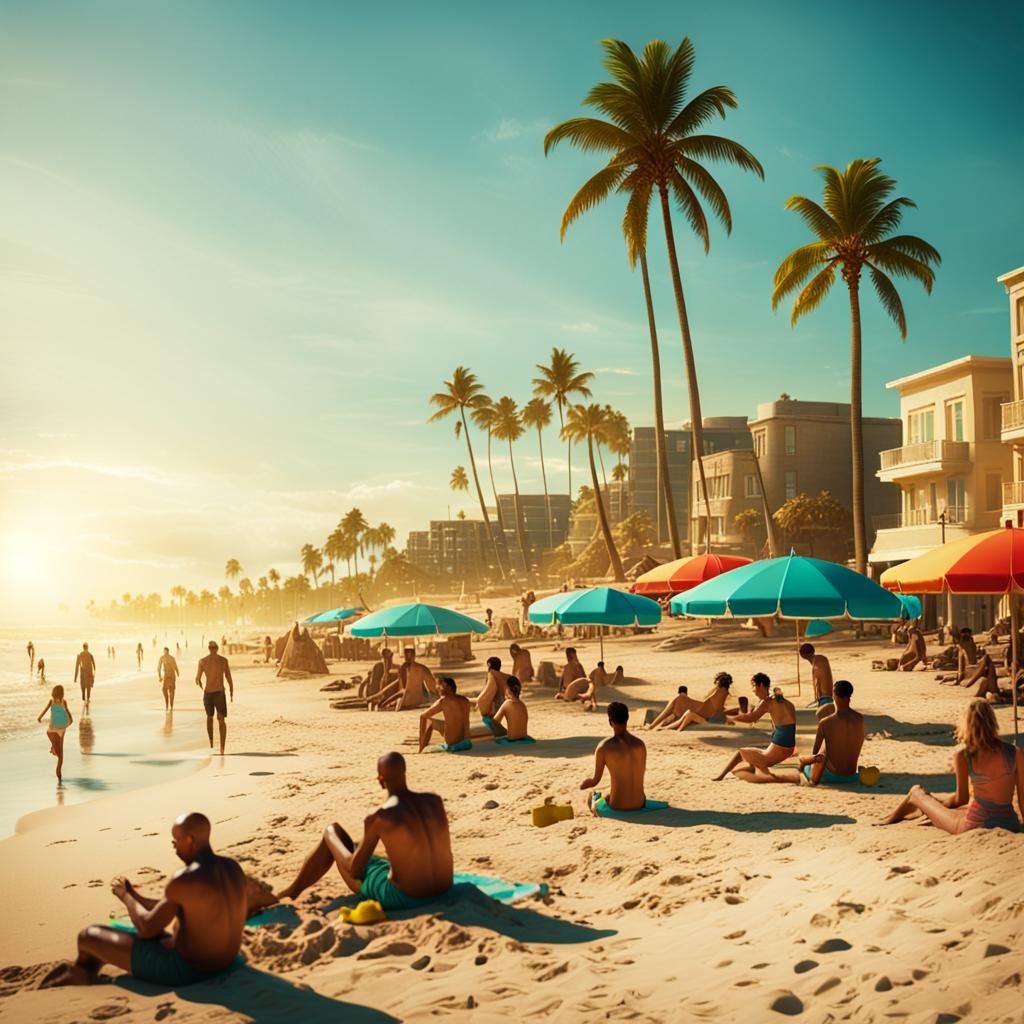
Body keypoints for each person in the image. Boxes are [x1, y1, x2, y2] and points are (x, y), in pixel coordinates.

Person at [40, 813, 247, 988]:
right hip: (225, 962)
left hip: (188, 971)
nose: (174, 846)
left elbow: (147, 928)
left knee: (88, 936)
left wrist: (126, 897)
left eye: (176, 841)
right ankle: (86, 971)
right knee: (121, 931)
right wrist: (137, 896)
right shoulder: (232, 868)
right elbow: (182, 906)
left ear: (190, 841)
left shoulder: (184, 878)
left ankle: (84, 974)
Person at [277, 752, 453, 910]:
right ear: (404, 773)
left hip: (405, 897)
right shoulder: (434, 801)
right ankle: (293, 889)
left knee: (332, 832)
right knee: (363, 851)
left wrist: (332, 838)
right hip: (444, 887)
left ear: (380, 779)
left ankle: (293, 890)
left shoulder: (381, 816)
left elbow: (355, 871)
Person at [882, 699, 1023, 834]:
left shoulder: (964, 755)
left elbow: (960, 799)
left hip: (975, 825)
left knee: (917, 792)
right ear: (993, 721)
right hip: (1009, 823)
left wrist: (939, 803)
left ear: (967, 724)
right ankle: (919, 811)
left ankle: (895, 816)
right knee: (964, 809)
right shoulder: (1014, 752)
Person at [580, 702, 666, 816]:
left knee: (594, 795)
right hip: (640, 803)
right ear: (627, 718)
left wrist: (582, 786)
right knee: (613, 790)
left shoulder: (604, 747)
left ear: (610, 722)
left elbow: (595, 780)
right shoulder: (640, 745)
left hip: (618, 805)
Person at [714, 674, 798, 783]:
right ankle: (752, 768)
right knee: (746, 761)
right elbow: (788, 723)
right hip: (788, 747)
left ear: (761, 685)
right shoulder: (784, 701)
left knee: (740, 753)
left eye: (754, 686)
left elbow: (751, 718)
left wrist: (729, 718)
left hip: (779, 749)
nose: (753, 690)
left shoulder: (768, 701)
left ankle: (721, 777)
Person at [789, 680, 865, 785]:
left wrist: (804, 759)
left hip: (831, 776)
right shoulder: (860, 719)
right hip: (851, 775)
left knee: (806, 761)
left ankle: (800, 768)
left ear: (834, 695)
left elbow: (814, 754)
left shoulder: (825, 722)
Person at [196, 641, 234, 755]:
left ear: (209, 649)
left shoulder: (202, 661)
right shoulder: (223, 661)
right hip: (219, 693)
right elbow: (228, 677)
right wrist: (232, 692)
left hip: (209, 693)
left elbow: (197, 679)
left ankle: (212, 743)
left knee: (209, 718)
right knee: (221, 720)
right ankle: (222, 748)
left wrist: (202, 686)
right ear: (216, 648)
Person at [418, 677, 472, 753]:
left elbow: (424, 715)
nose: (437, 689)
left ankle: (421, 748)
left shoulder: (444, 700)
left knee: (427, 720)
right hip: (466, 742)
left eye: (439, 686)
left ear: (447, 686)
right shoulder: (465, 700)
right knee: (448, 723)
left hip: (452, 744)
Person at [670, 672, 736, 731]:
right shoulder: (726, 692)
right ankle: (669, 727)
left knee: (689, 714)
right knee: (688, 713)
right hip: (718, 718)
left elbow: (704, 701)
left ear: (718, 682)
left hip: (713, 721)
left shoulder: (718, 692)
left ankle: (679, 730)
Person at [37, 685, 73, 781]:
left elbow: (45, 711)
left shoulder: (61, 702)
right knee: (60, 754)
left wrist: (40, 717)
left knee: (60, 754)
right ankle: (54, 747)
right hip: (54, 730)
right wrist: (70, 720)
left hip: (59, 730)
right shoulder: (57, 702)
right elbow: (68, 714)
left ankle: (58, 772)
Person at [491, 676, 533, 743]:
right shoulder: (522, 704)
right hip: (524, 737)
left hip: (513, 739)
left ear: (508, 689)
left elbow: (495, 721)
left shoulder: (507, 703)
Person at [475, 657, 509, 736]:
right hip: (501, 703)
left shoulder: (491, 675)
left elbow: (490, 692)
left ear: (489, 665)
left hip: (494, 703)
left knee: (490, 722)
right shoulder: (502, 676)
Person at [800, 643, 835, 719]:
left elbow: (818, 679)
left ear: (803, 655)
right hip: (827, 696)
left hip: (824, 697)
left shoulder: (817, 662)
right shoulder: (822, 658)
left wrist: (817, 696)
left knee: (824, 722)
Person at [158, 647, 180, 711]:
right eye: (164, 652)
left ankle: (169, 704)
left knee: (168, 690)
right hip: (170, 675)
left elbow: (159, 668)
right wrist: (177, 672)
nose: (165, 653)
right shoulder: (166, 658)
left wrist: (159, 677)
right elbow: (159, 668)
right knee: (167, 690)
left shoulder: (165, 658)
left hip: (169, 675)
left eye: (165, 652)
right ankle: (169, 704)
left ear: (167, 651)